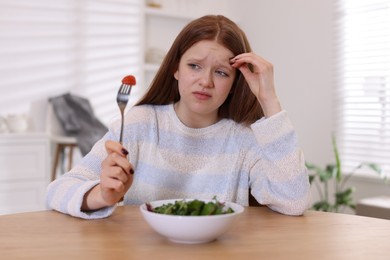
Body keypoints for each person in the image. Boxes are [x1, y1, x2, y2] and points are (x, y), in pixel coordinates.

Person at [46, 15, 311, 219]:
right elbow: (57, 191)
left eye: (221, 73)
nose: (205, 81)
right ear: (175, 69)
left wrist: (269, 100)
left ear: (235, 81)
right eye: (194, 66)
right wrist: (102, 195)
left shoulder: (245, 138)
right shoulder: (139, 124)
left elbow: (294, 201)